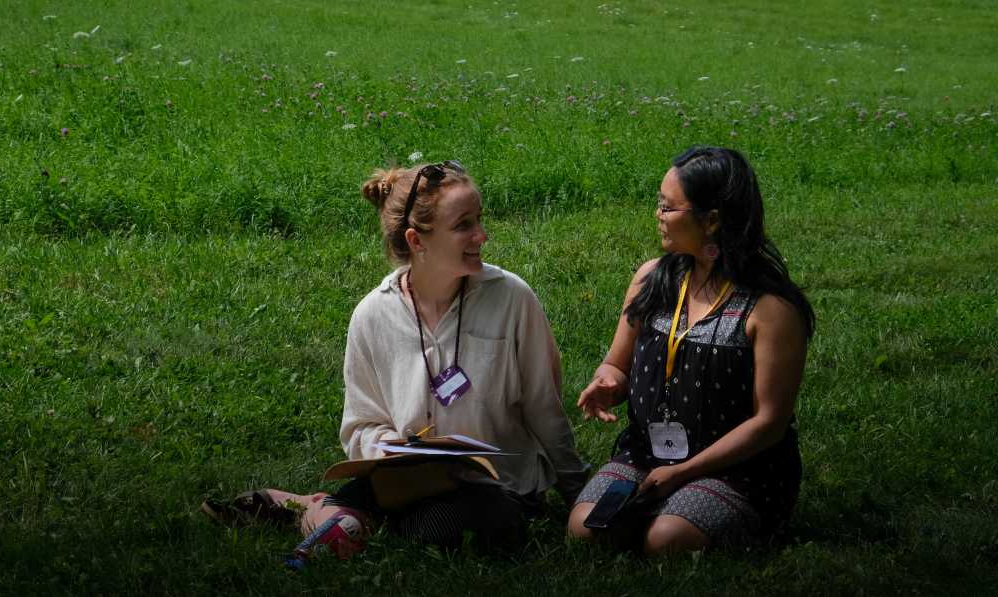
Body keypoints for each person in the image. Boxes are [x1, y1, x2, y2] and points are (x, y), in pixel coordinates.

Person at [203, 160, 589, 558]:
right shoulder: (372, 315)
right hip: (407, 482)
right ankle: (323, 511)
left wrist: (578, 494)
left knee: (473, 528)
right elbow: (360, 426)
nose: (481, 235)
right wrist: (394, 450)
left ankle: (323, 510)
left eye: (479, 220)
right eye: (463, 226)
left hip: (498, 485)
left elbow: (544, 405)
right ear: (417, 241)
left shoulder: (512, 298)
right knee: (378, 528)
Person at [567, 146, 815, 555]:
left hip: (736, 469)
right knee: (586, 529)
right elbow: (617, 363)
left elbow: (769, 422)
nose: (657, 216)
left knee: (668, 540)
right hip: (648, 456)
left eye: (668, 208)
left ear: (712, 220)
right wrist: (607, 383)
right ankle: (664, 509)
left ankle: (707, 517)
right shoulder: (652, 279)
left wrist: (685, 472)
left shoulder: (771, 309)